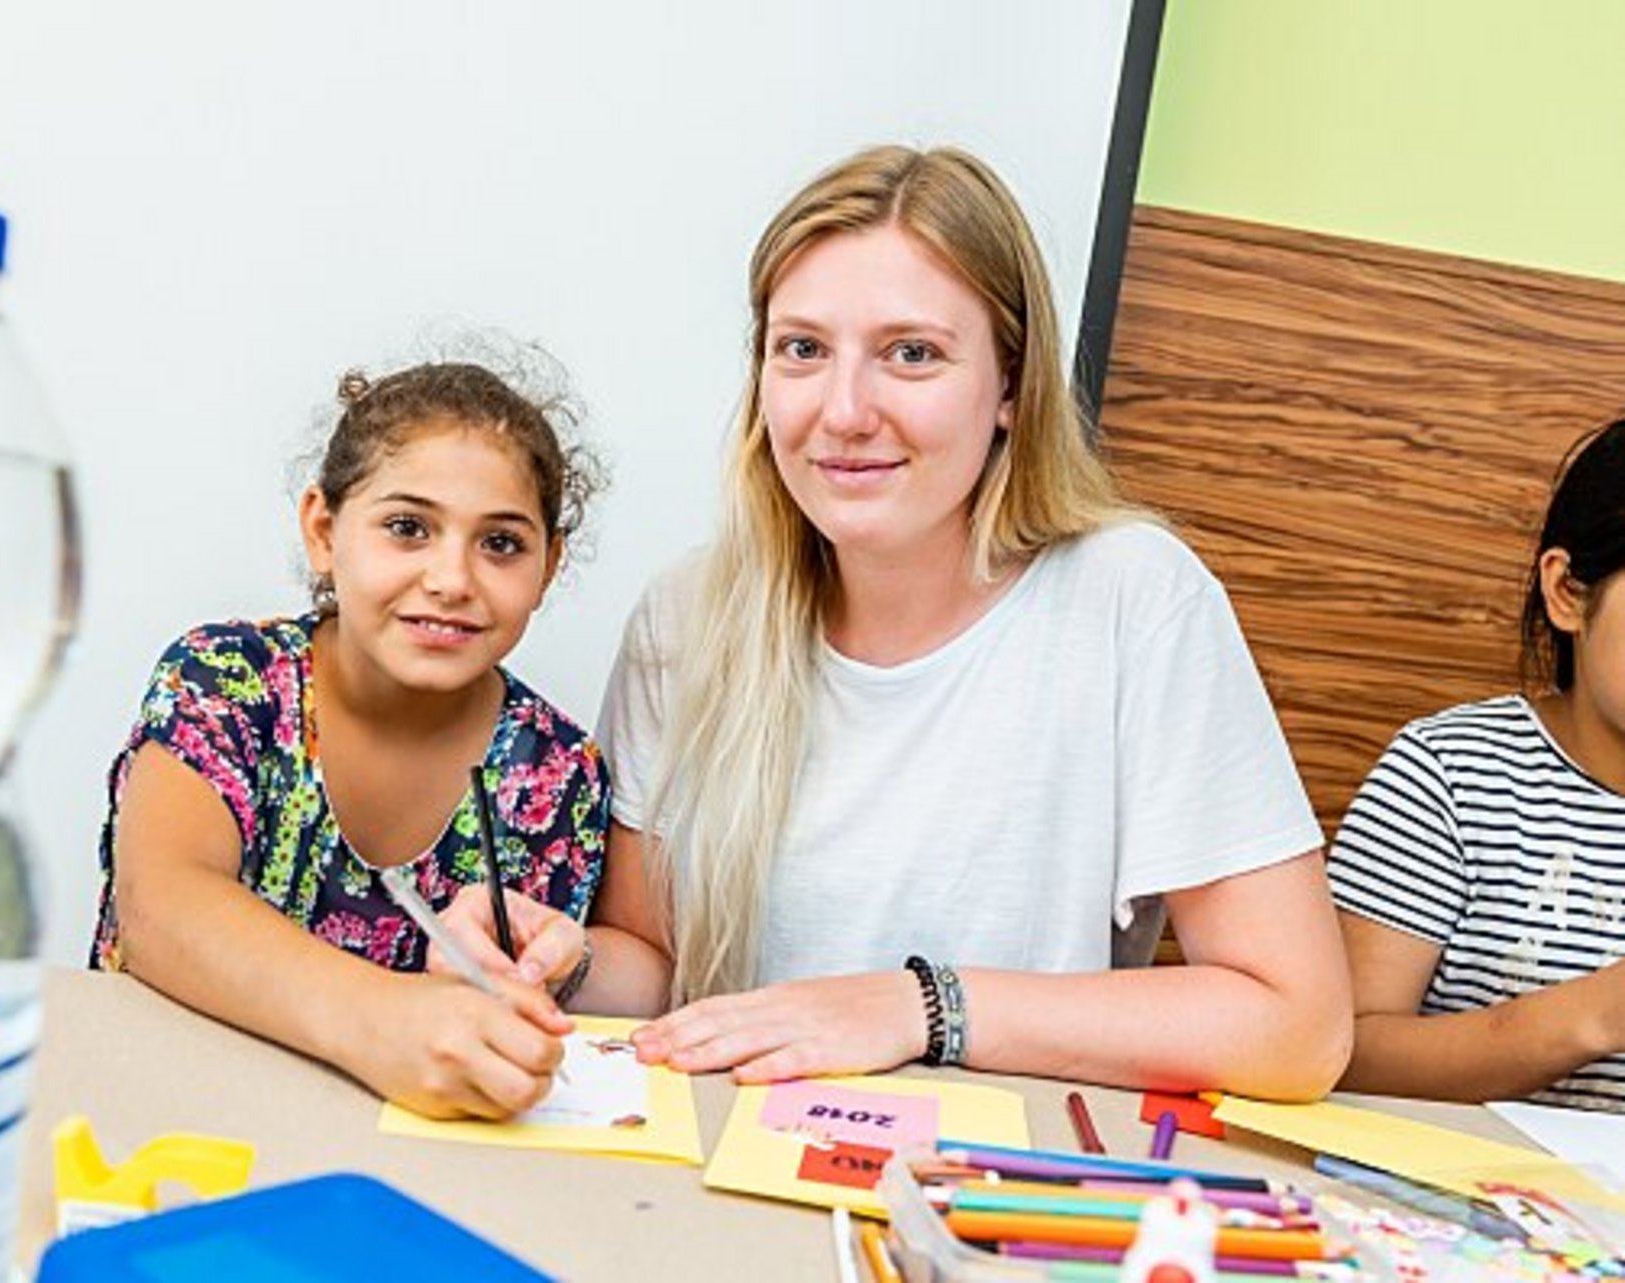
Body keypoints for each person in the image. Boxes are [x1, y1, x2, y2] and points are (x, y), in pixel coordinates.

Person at [444, 144, 1352, 1098]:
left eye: (910, 354)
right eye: (802, 350)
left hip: (988, 1190)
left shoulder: (1135, 599)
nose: (843, 411)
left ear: (1010, 385)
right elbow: (660, 968)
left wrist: (918, 1006)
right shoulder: (686, 614)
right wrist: (564, 959)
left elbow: (1297, 1026)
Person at [90, 356, 611, 1120]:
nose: (451, 578)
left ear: (548, 564)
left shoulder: (557, 772)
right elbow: (159, 901)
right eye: (408, 528)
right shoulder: (225, 681)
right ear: (324, 531)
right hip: (159, 1112)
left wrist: (559, 963)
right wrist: (384, 1019)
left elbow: (588, 988)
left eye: (500, 543)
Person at [1328, 418, 1625, 1110]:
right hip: (1466, 1205)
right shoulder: (1450, 774)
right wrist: (1599, 1014)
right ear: (1568, 594)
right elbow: (1340, 1050)